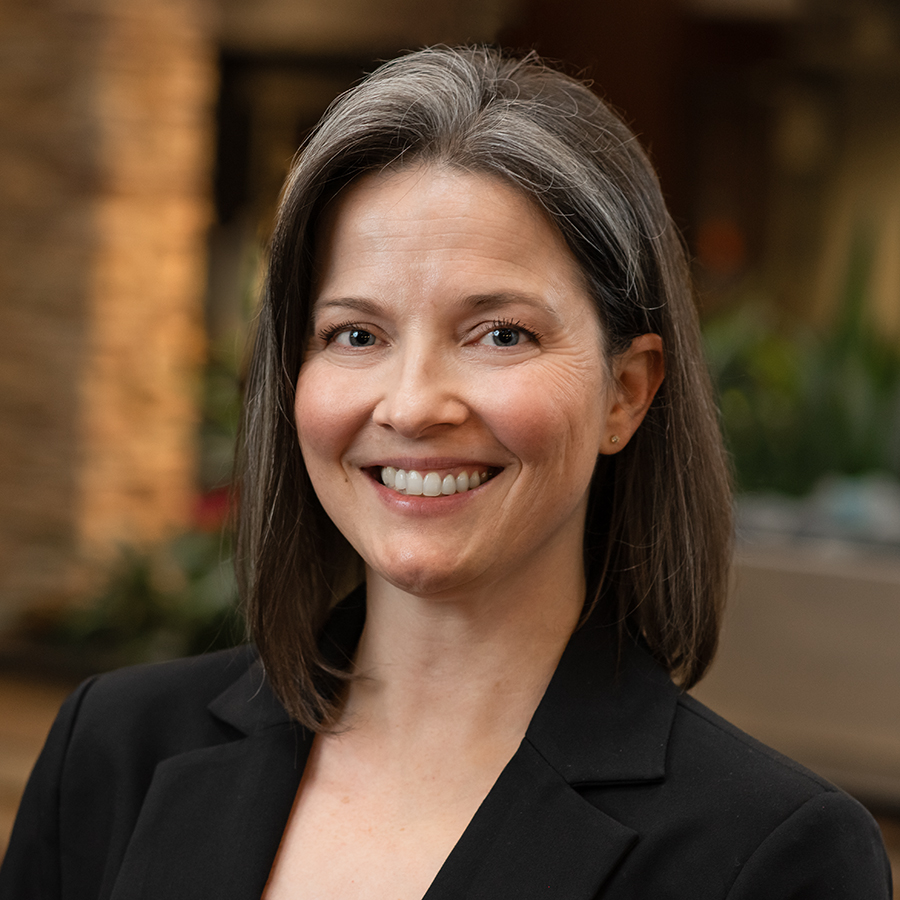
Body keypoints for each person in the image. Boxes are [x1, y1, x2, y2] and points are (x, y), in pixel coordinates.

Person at [0, 46, 891, 899]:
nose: (414, 404)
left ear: (626, 392)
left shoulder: (770, 857)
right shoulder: (114, 751)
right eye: (357, 334)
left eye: (500, 333)